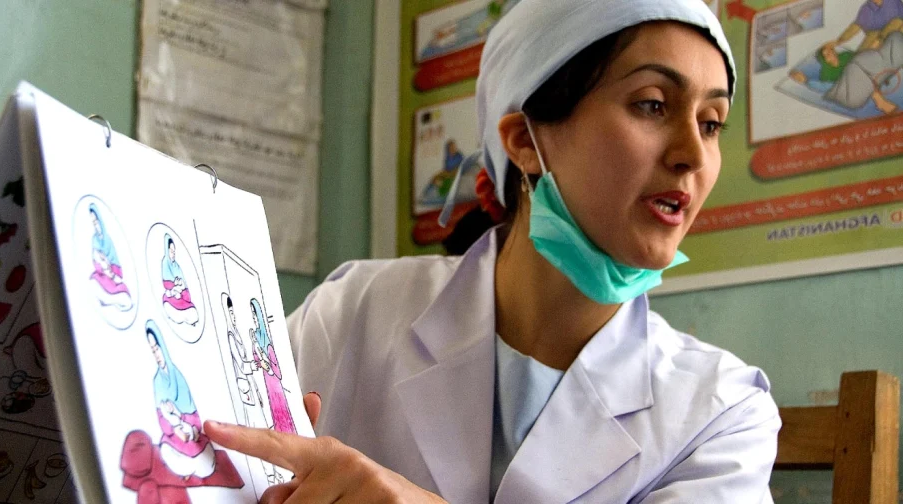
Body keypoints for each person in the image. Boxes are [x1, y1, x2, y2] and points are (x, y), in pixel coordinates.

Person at [204, 1, 781, 502]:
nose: (693, 155)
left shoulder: (720, 413)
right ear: (526, 141)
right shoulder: (353, 311)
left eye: (711, 122)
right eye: (653, 104)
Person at [222, 293, 283, 485]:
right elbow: (240, 364)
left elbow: (272, 368)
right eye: (230, 313)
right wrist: (255, 364)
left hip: (252, 388)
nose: (233, 316)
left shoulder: (239, 335)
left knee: (264, 429)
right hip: (245, 390)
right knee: (259, 432)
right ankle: (270, 474)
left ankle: (272, 472)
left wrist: (257, 362)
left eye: (234, 313)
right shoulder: (231, 337)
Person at [146, 320, 216, 480]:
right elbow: (161, 418)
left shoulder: (178, 377)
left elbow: (194, 415)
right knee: (166, 452)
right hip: (174, 439)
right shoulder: (157, 381)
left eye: (157, 348)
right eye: (153, 350)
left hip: (192, 435)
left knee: (207, 463)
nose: (156, 355)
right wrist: (174, 429)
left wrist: (183, 419)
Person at [792, 31, 903, 114]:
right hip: (852, 93)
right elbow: (826, 87)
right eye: (826, 55)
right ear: (824, 60)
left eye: (831, 50)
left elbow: (864, 58)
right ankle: (880, 102)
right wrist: (806, 81)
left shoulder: (845, 56)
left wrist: (873, 49)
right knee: (855, 66)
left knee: (895, 37)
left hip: (874, 74)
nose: (831, 54)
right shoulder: (826, 73)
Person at [249, 298, 296, 435]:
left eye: (255, 314)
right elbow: (256, 358)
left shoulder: (267, 340)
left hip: (274, 382)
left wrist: (267, 366)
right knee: (270, 409)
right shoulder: (256, 336)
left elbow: (278, 372)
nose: (254, 318)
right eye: (252, 314)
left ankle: (286, 431)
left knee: (279, 407)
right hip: (265, 381)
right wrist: (255, 345)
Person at [89, 203, 132, 311]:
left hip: (113, 278)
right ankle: (107, 299)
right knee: (92, 283)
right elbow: (96, 262)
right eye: (93, 223)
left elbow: (115, 264)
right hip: (102, 277)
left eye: (96, 222)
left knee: (126, 297)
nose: (96, 225)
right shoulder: (95, 240)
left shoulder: (108, 241)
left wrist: (112, 274)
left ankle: (111, 300)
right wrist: (102, 266)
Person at [824, 0, 903, 52]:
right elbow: (856, 26)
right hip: (874, 39)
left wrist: (879, 41)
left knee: (897, 22)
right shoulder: (866, 9)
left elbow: (899, 22)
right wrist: (838, 41)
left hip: (895, 35)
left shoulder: (894, 2)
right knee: (871, 38)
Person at [160, 233, 199, 325]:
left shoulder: (177, 267)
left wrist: (181, 287)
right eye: (171, 251)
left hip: (181, 300)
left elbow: (185, 290)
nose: (173, 253)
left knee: (194, 314)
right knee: (169, 308)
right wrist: (174, 287)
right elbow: (167, 287)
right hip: (170, 300)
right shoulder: (165, 263)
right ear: (167, 250)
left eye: (174, 251)